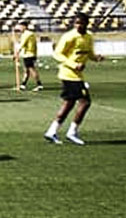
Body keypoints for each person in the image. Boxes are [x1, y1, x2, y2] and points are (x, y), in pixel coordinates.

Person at [44, 12, 103, 145]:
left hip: (77, 75)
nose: (78, 25)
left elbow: (89, 54)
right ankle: (72, 132)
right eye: (76, 23)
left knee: (69, 104)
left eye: (81, 23)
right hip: (69, 74)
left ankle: (52, 131)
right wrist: (74, 65)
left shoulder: (89, 37)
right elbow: (57, 54)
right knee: (85, 102)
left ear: (87, 24)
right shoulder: (69, 36)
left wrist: (96, 58)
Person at [14, 20, 43, 91]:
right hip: (30, 54)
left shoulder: (27, 34)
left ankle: (39, 84)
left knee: (31, 69)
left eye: (20, 27)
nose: (20, 28)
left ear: (24, 26)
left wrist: (16, 53)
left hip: (29, 54)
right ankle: (23, 84)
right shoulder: (28, 34)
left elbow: (22, 44)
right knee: (26, 70)